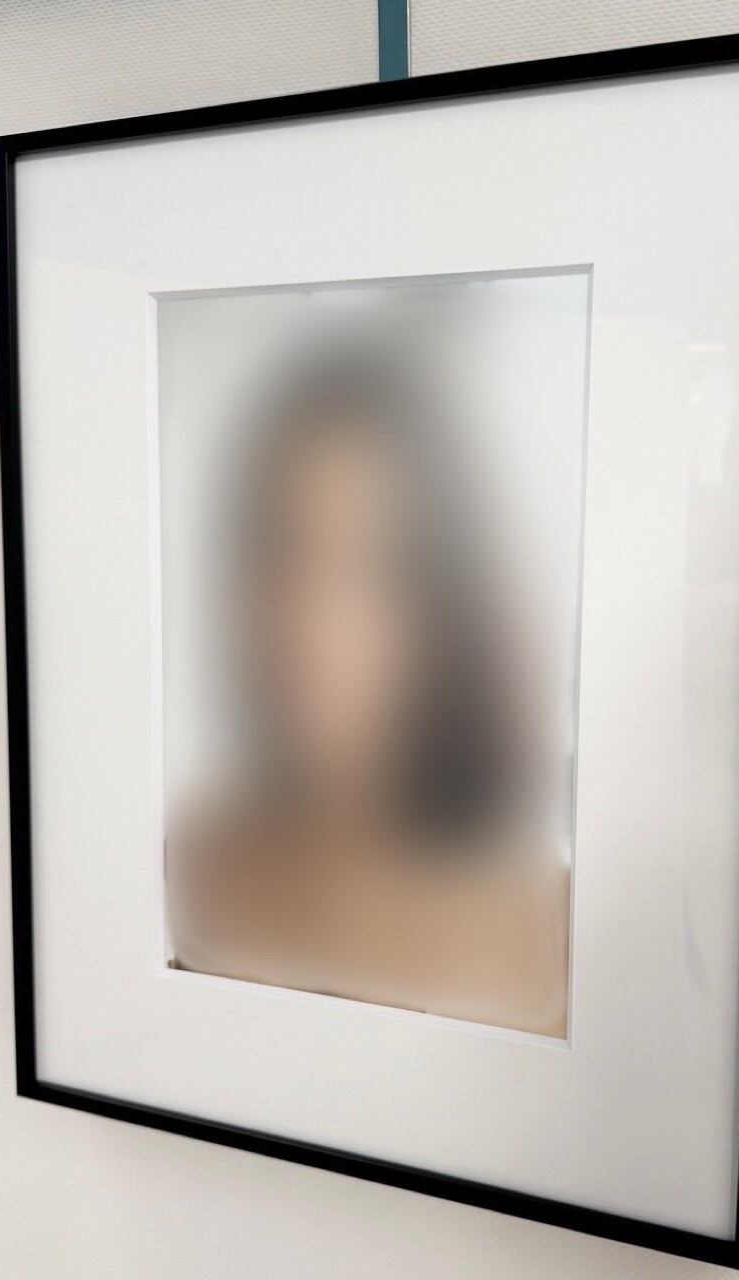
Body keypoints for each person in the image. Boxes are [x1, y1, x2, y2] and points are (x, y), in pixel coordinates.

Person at [166, 330, 569, 1036]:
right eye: (279, 550)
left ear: (445, 601)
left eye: (372, 567)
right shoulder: (199, 855)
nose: (308, 620)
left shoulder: (551, 927)